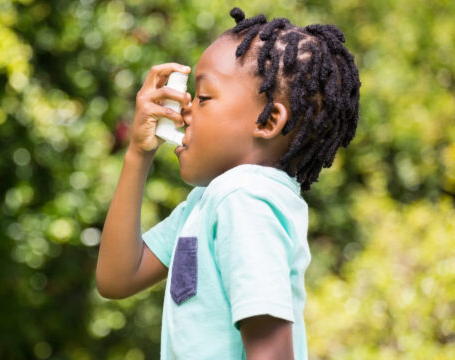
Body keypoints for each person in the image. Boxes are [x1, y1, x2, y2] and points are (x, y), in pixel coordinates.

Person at [96, 7, 360, 359]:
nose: (186, 109)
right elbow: (118, 277)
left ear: (268, 121)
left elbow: (271, 352)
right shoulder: (210, 202)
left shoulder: (244, 199)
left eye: (203, 98)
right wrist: (138, 153)